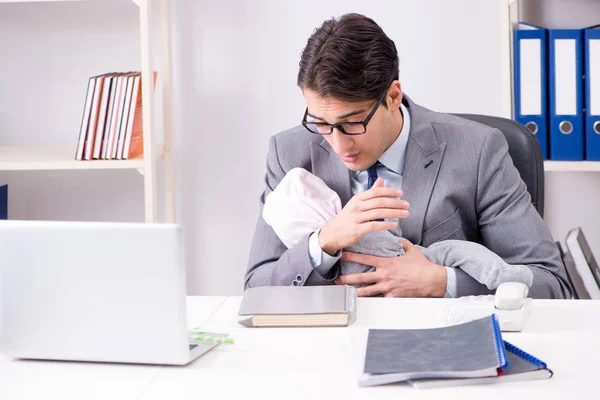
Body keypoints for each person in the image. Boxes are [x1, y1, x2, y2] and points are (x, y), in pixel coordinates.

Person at [245, 13, 571, 298]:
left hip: (446, 346)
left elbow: (552, 284)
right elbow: (257, 288)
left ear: (392, 96)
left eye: (352, 123)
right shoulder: (288, 152)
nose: (338, 144)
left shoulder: (479, 149)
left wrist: (442, 282)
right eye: (321, 123)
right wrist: (324, 241)